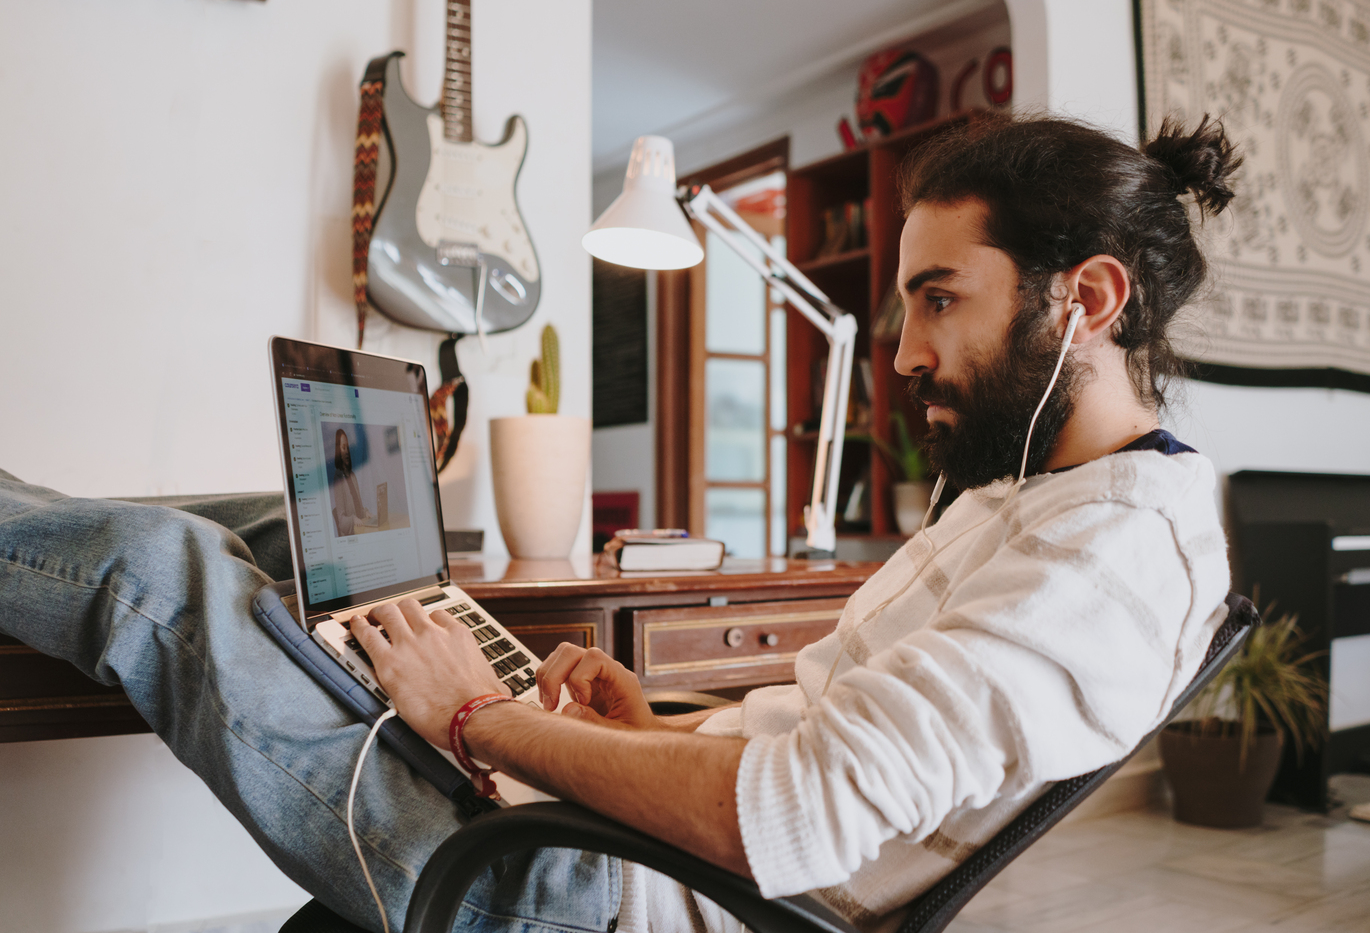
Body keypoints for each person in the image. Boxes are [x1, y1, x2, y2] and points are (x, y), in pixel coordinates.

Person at [0, 110, 1240, 933]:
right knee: (288, 525)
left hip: (591, 898)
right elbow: (844, 753)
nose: (907, 352)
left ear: (1087, 298)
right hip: (622, 846)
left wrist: (479, 716)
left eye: (937, 300)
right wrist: (655, 730)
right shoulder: (1060, 497)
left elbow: (803, 811)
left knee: (165, 577)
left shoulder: (1109, 559)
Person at [331, 427, 372, 537]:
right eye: (343, 447)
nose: (346, 451)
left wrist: (365, 513)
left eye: (347, 447)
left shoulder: (352, 476)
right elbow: (341, 522)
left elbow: (358, 508)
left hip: (361, 530)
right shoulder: (338, 479)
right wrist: (353, 519)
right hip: (351, 536)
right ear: (338, 451)